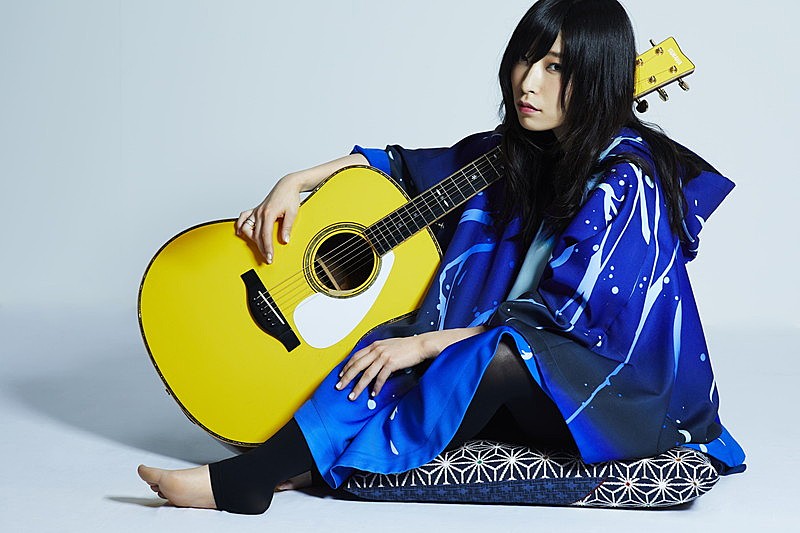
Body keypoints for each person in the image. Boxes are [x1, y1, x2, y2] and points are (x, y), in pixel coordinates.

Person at [138, 0, 745, 514]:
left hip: (608, 391)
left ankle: (251, 479)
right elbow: (408, 171)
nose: (528, 83)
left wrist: (428, 344)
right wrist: (297, 181)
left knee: (487, 353)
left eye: (556, 67)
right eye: (526, 59)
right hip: (527, 366)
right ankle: (297, 461)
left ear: (598, 77)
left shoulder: (627, 181)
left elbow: (569, 320)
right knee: (395, 336)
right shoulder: (518, 152)